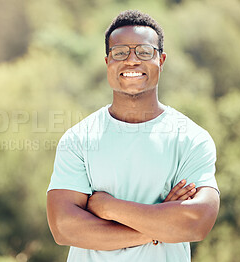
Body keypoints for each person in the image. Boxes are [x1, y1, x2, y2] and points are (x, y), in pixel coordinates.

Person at [46, 9, 220, 262]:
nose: (131, 60)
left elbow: (198, 222)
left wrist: (107, 207)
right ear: (108, 62)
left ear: (161, 60)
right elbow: (63, 228)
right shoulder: (78, 139)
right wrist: (162, 224)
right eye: (120, 53)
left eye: (144, 52)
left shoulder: (192, 138)